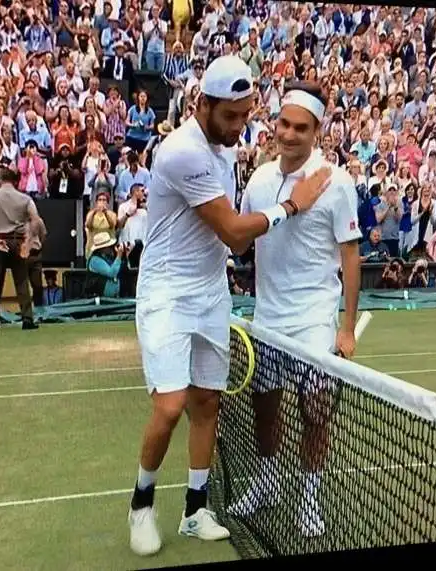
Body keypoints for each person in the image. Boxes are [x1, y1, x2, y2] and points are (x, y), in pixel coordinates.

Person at [128, 55, 331, 557]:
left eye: (245, 115)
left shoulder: (223, 151)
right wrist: (292, 204)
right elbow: (236, 235)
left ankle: (196, 509)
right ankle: (141, 504)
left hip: (210, 293)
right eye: (230, 117)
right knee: (171, 405)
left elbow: (221, 241)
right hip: (167, 294)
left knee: (208, 404)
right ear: (203, 105)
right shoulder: (183, 153)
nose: (240, 127)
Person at [228, 81, 362, 537]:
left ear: (316, 131)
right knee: (264, 408)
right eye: (283, 123)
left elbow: (350, 256)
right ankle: (267, 481)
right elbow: (242, 236)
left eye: (299, 128)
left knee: (315, 411)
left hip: (314, 321)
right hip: (268, 318)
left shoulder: (337, 183)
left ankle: (309, 494)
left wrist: (345, 330)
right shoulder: (260, 178)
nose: (287, 134)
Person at [0, 168, 42, 331]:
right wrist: (28, 241)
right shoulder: (25, 198)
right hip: (18, 240)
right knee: (21, 280)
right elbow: (35, 219)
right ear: (15, 181)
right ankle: (27, 318)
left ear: (0, 180)